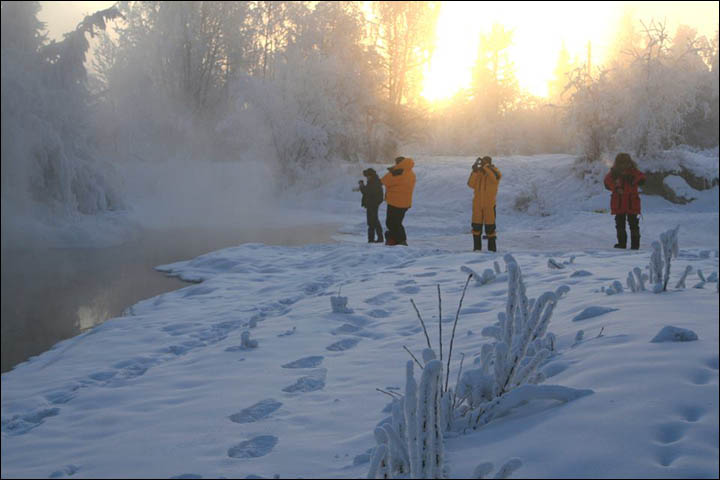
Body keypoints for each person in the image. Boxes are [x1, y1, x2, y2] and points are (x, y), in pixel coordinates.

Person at [604, 152, 646, 249]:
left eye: (625, 162)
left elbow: (642, 178)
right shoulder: (614, 173)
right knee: (620, 224)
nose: (624, 165)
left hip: (631, 202)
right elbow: (606, 182)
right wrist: (616, 186)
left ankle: (635, 245)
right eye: (621, 162)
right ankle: (622, 244)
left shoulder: (633, 172)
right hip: (621, 203)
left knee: (633, 224)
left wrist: (633, 180)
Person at [467, 156, 502, 252]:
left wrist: (486, 167)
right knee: (476, 228)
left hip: (489, 206)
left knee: (490, 229)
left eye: (484, 163)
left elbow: (495, 177)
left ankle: (492, 250)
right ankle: (477, 250)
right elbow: (470, 184)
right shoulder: (478, 174)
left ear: (489, 163)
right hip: (477, 206)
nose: (482, 165)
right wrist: (474, 171)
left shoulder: (495, 172)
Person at [381, 156, 416, 246]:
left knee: (392, 223)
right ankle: (395, 241)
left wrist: (393, 170)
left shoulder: (398, 172)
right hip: (405, 203)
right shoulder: (410, 172)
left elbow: (384, 181)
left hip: (395, 201)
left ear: (399, 163)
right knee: (396, 222)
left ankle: (401, 241)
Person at [358, 168, 384, 243]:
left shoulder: (374, 182)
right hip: (372, 204)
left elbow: (367, 191)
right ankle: (375, 239)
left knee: (372, 222)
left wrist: (361, 185)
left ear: (371, 175)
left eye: (367, 176)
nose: (367, 177)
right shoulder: (374, 181)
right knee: (373, 221)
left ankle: (374, 239)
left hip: (373, 204)